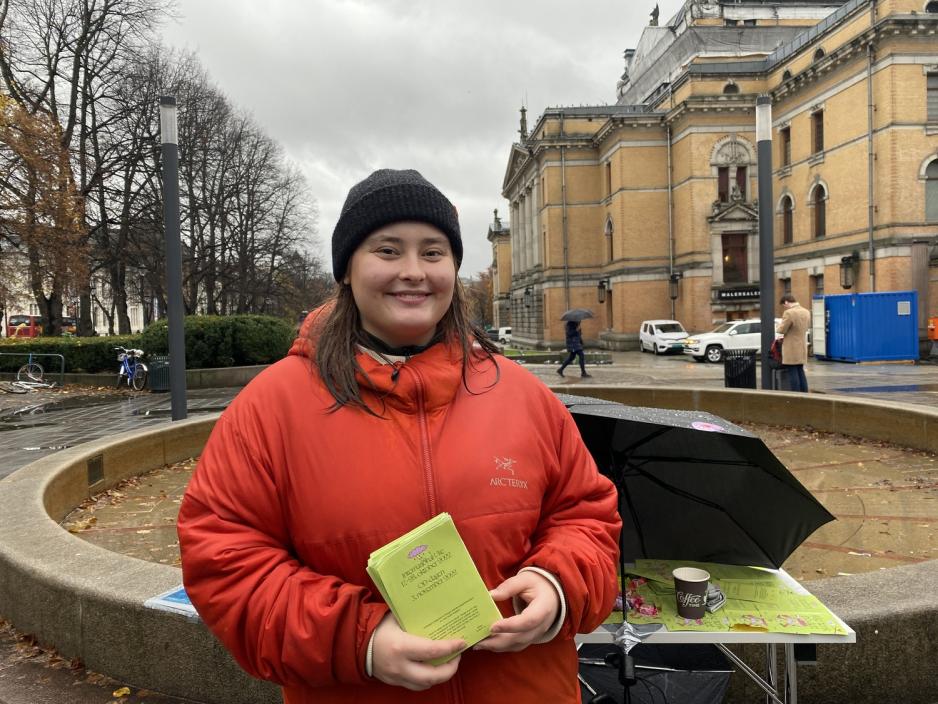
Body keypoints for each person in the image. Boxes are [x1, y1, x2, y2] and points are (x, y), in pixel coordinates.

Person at [177, 168, 621, 704]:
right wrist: (359, 640)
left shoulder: (524, 395)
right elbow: (224, 563)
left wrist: (558, 585)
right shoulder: (270, 408)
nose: (413, 272)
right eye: (387, 251)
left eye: (433, 252)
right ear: (347, 270)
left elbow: (586, 518)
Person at [776, 293, 811, 392]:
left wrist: (778, 326)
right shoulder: (806, 312)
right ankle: (804, 393)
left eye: (784, 305)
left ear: (786, 302)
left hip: (791, 347)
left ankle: (796, 394)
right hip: (802, 347)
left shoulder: (789, 313)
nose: (785, 307)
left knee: (792, 371)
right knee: (800, 370)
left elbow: (781, 330)